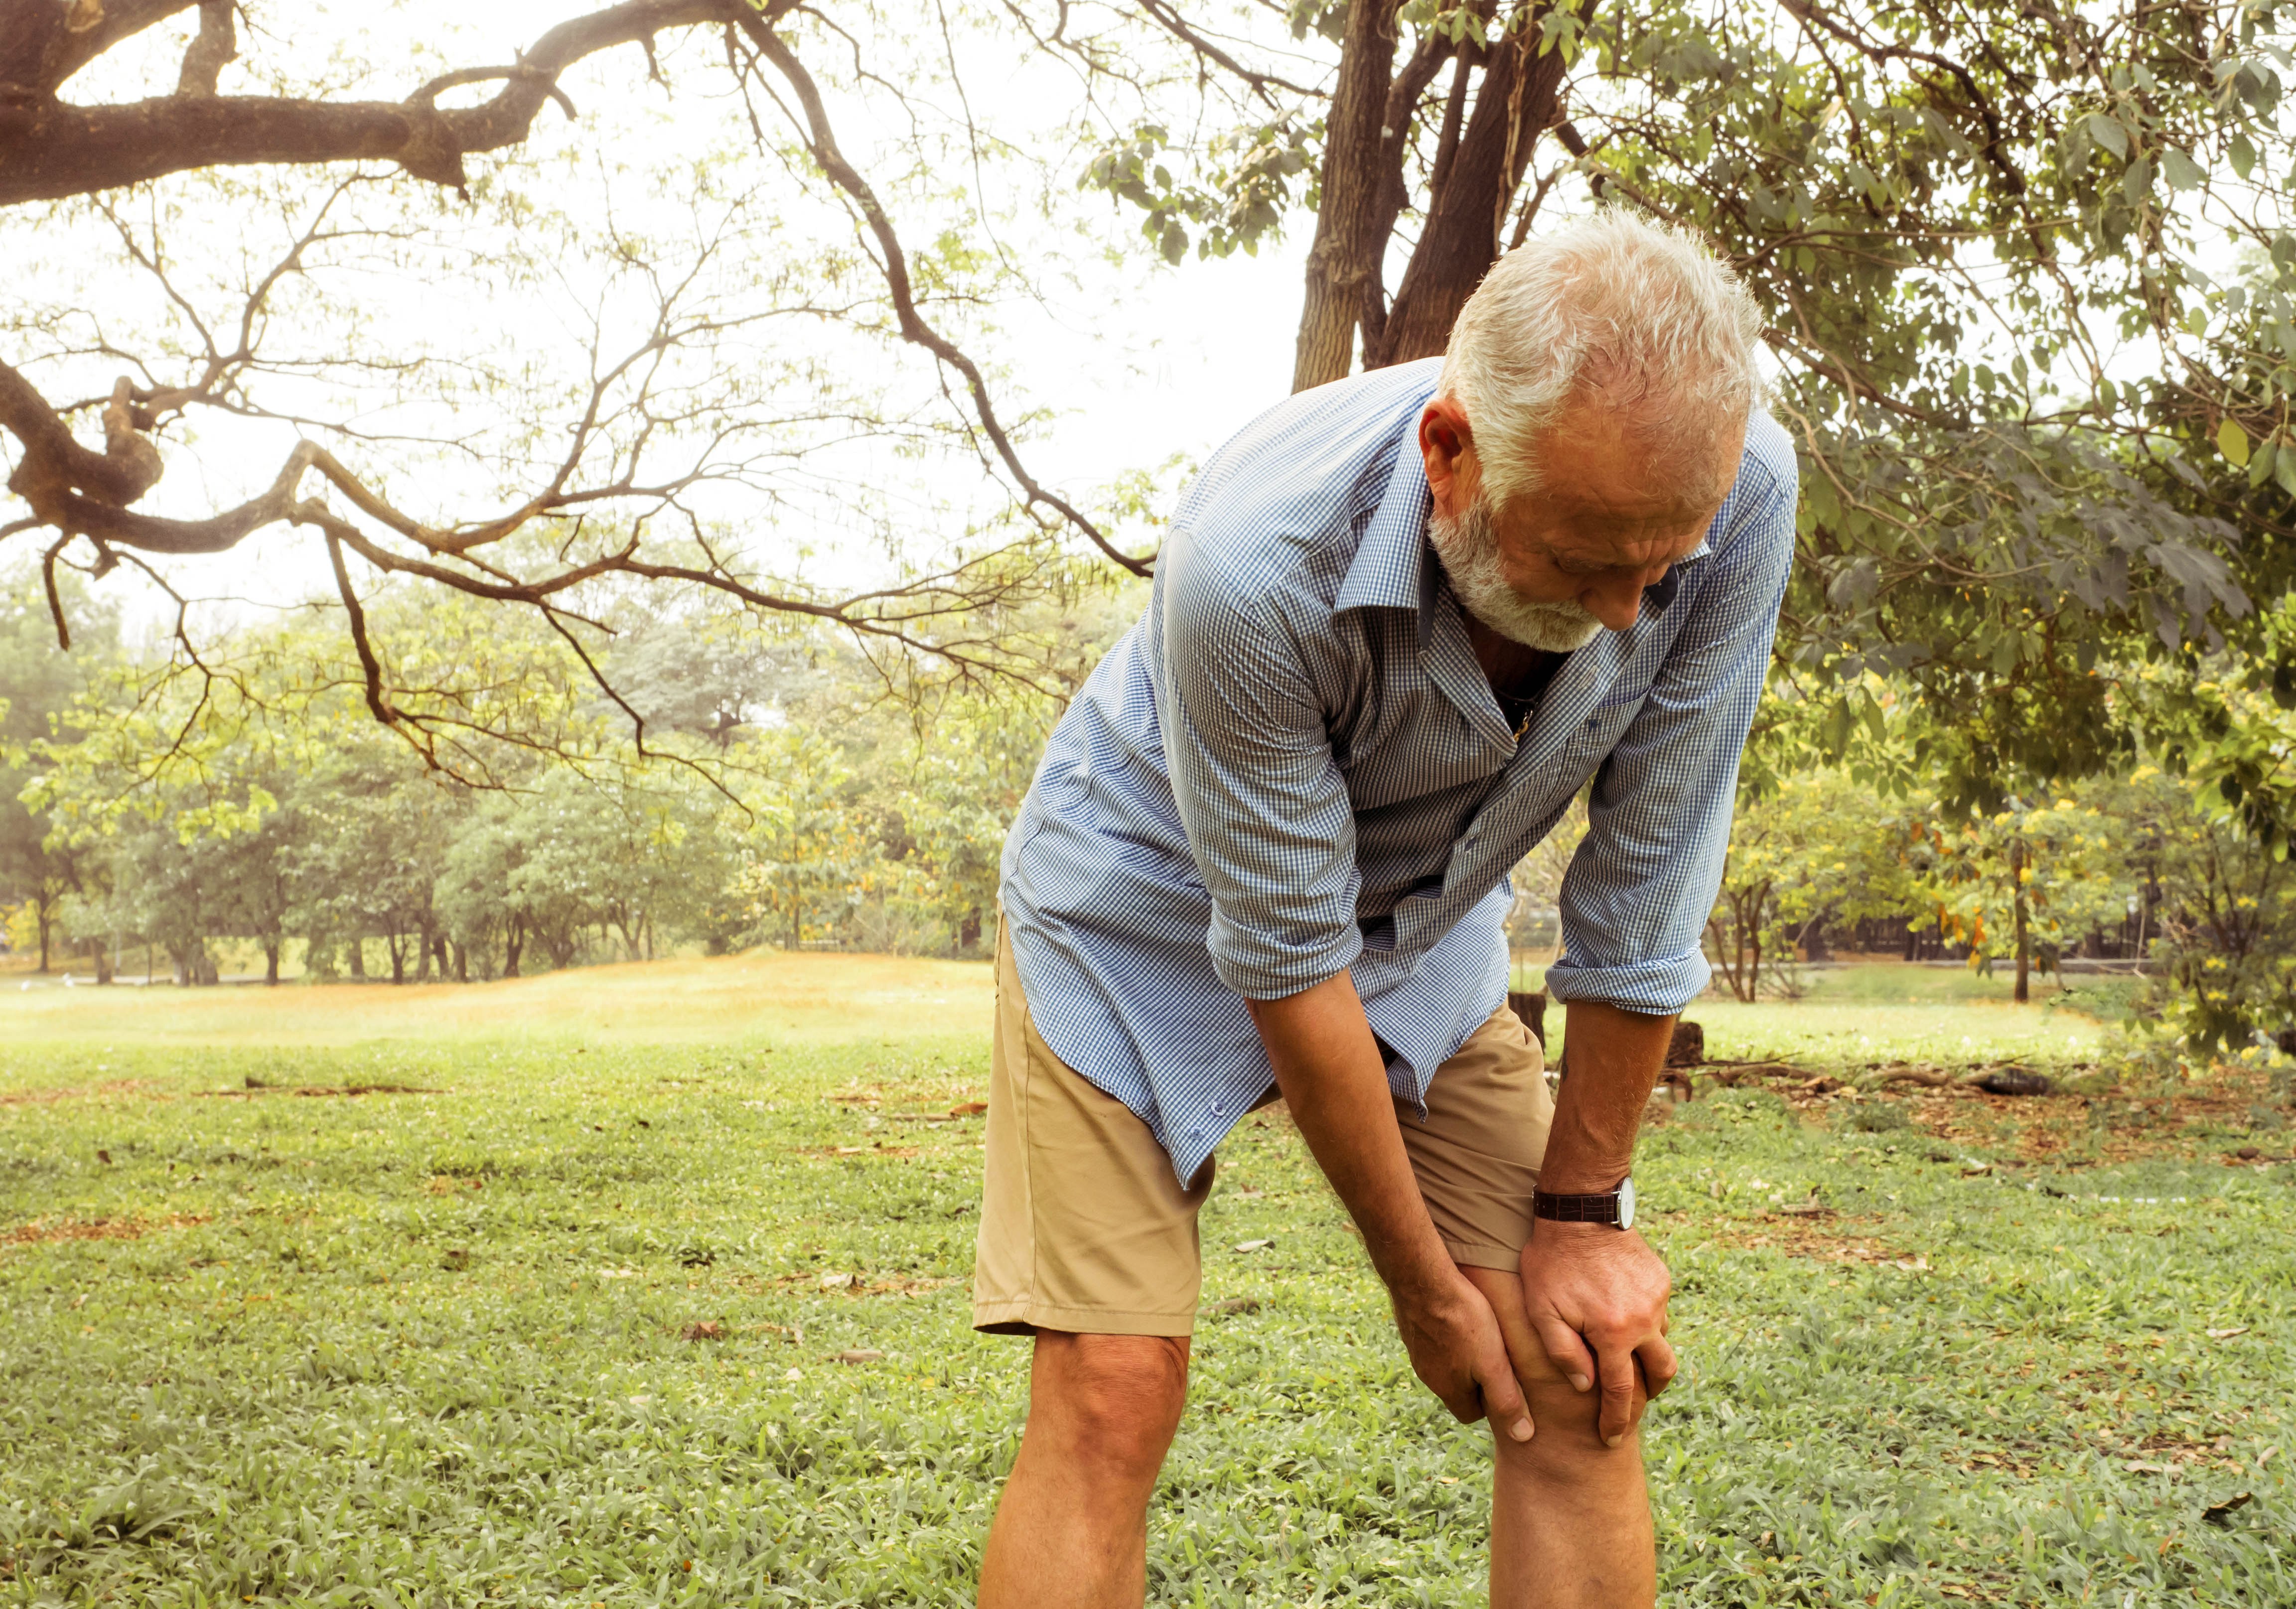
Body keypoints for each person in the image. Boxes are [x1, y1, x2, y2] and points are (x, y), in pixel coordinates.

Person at [973, 209, 1794, 1608]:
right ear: (1451, 454)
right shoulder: (1251, 562)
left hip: (1423, 919)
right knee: (1115, 1387)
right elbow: (1288, 962)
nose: (1621, 614)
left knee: (1566, 1361)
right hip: (1138, 908)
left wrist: (1583, 1218)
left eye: (1659, 565)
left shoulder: (1741, 490)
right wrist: (1421, 1287)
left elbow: (1647, 880)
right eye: (1581, 560)